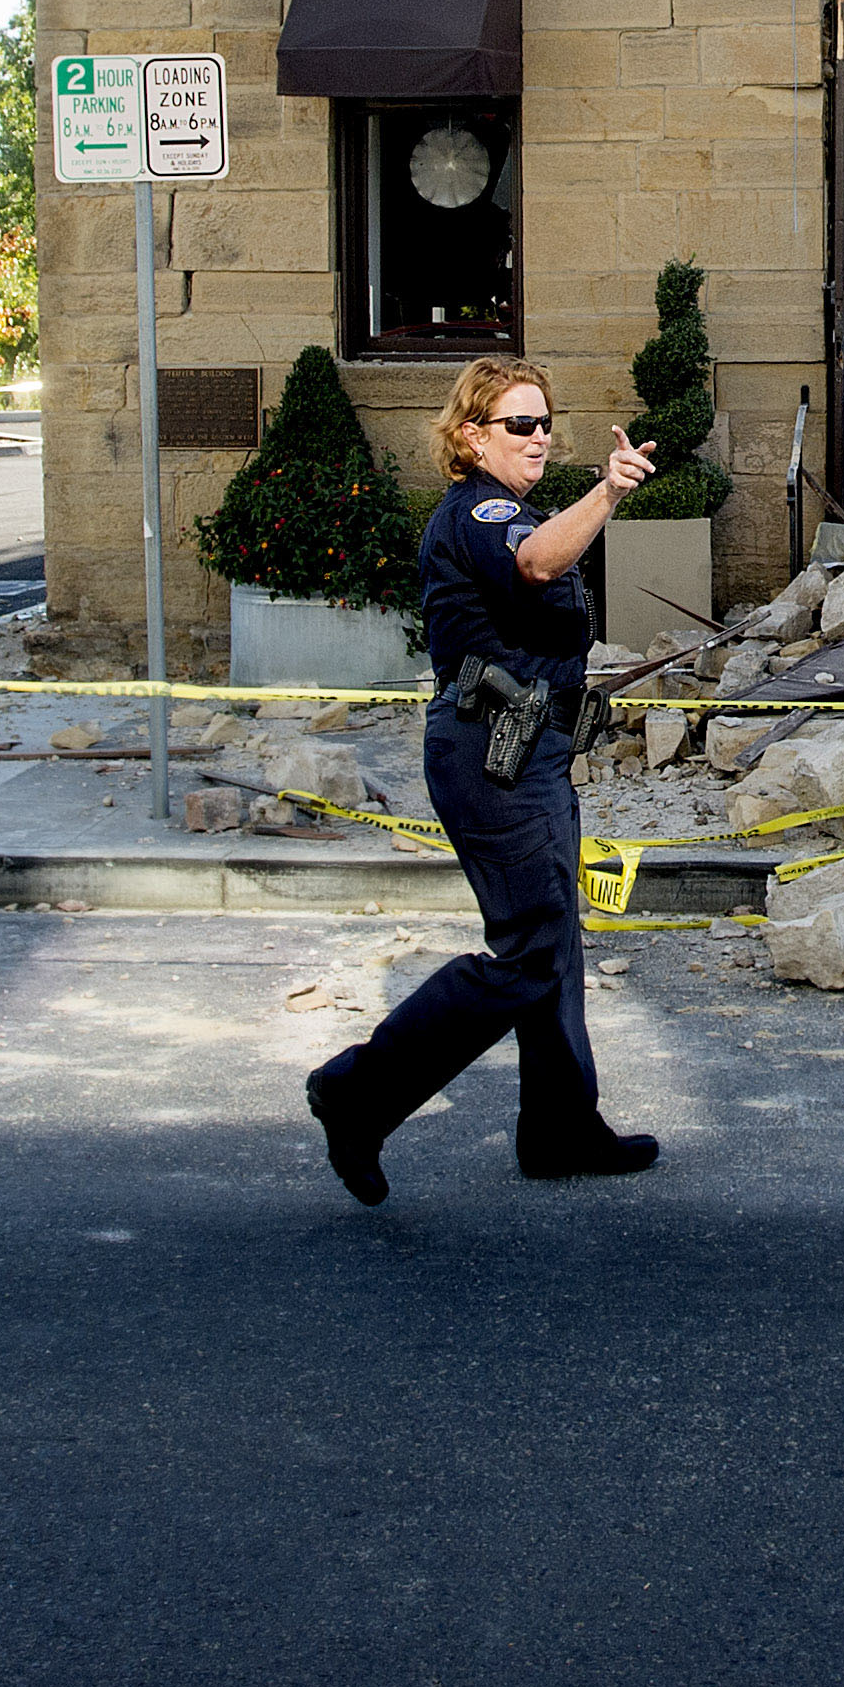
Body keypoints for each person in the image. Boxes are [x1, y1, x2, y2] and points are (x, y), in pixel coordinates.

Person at [305, 357, 658, 1206]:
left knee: (552, 942)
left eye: (545, 424)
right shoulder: (481, 511)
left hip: (525, 751)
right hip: (493, 756)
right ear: (471, 435)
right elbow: (536, 564)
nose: (539, 438)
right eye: (518, 425)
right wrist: (608, 492)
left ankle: (561, 1128)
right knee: (529, 952)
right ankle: (357, 1092)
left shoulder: (512, 506)